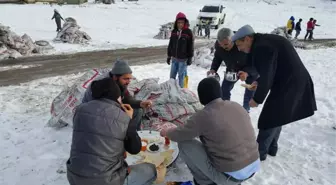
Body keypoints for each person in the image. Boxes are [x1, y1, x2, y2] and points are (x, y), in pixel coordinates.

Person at [232, 24, 317, 161]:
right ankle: (271, 148)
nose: (239, 48)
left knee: (269, 118)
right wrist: (258, 83)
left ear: (247, 39)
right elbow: (270, 70)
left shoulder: (262, 47)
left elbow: (267, 75)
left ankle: (258, 154)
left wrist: (257, 99)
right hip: (290, 81)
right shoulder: (263, 42)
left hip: (291, 83)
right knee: (277, 115)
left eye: (239, 44)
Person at [160, 77, 260, 185]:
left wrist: (166, 132)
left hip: (230, 177)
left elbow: (179, 135)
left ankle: (204, 182)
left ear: (201, 97)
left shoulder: (203, 116)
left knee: (185, 144)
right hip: (253, 166)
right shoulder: (237, 106)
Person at [67, 78, 157, 185]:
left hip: (74, 177)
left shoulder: (80, 110)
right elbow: (134, 149)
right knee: (151, 170)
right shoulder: (122, 116)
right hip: (105, 181)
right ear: (117, 96)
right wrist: (129, 120)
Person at [82, 59, 153, 130]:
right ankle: (124, 135)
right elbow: (102, 108)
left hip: (108, 109)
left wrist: (140, 103)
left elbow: (126, 98)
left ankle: (134, 134)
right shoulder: (103, 85)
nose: (128, 82)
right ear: (115, 77)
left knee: (138, 111)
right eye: (126, 79)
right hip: (95, 114)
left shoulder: (119, 82)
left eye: (129, 79)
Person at [207, 28, 258, 112]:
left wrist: (247, 73)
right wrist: (213, 69)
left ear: (233, 40)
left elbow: (255, 63)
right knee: (224, 89)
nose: (223, 47)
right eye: (221, 45)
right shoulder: (220, 46)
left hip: (249, 69)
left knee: (250, 90)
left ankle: (245, 110)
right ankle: (225, 108)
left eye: (226, 44)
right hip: (232, 69)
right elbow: (217, 58)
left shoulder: (243, 44)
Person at [167, 12, 194, 88]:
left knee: (181, 76)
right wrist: (169, 56)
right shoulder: (174, 32)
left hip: (183, 59)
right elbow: (170, 44)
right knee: (172, 76)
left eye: (182, 22)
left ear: (185, 22)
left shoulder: (188, 32)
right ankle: (171, 89)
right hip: (174, 59)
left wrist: (190, 57)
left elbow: (190, 46)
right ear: (176, 23)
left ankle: (182, 90)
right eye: (178, 22)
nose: (180, 24)